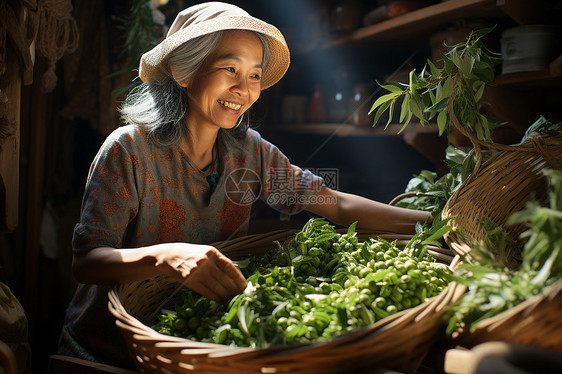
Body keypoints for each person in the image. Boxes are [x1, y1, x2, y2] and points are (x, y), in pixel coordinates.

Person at [58, 1, 432, 369]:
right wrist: (168, 256)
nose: (244, 87)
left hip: (197, 345)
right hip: (111, 351)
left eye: (254, 75)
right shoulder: (129, 150)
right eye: (229, 68)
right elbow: (87, 262)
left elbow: (334, 203)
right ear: (185, 72)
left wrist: (430, 223)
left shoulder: (249, 153)